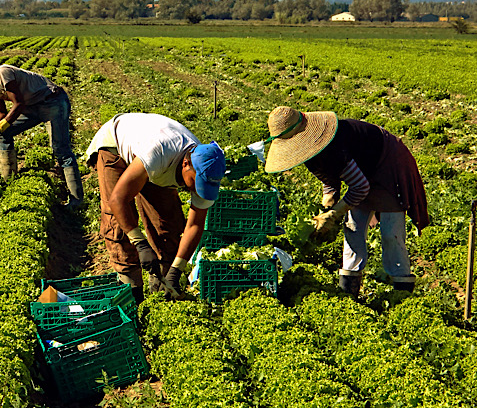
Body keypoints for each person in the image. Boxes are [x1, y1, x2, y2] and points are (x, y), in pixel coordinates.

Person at [265, 106, 429, 296]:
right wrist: (326, 207)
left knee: (391, 234)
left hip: (387, 164)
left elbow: (360, 187)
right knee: (353, 229)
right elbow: (330, 181)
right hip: (361, 172)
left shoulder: (335, 147)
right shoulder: (311, 155)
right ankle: (349, 291)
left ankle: (402, 293)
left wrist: (334, 214)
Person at [85, 113, 227, 301]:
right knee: (117, 224)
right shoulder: (159, 152)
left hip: (154, 164)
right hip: (116, 146)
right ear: (185, 164)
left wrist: (177, 269)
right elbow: (118, 199)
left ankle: (162, 287)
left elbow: (194, 225)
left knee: (168, 223)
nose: (196, 188)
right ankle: (132, 291)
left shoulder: (205, 167)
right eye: (196, 182)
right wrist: (140, 242)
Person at [0, 48, 83, 208]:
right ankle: (9, 182)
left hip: (52, 102)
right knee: (3, 133)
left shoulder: (2, 73)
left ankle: (77, 200)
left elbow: (18, 104)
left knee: (60, 149)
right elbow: (0, 112)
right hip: (31, 107)